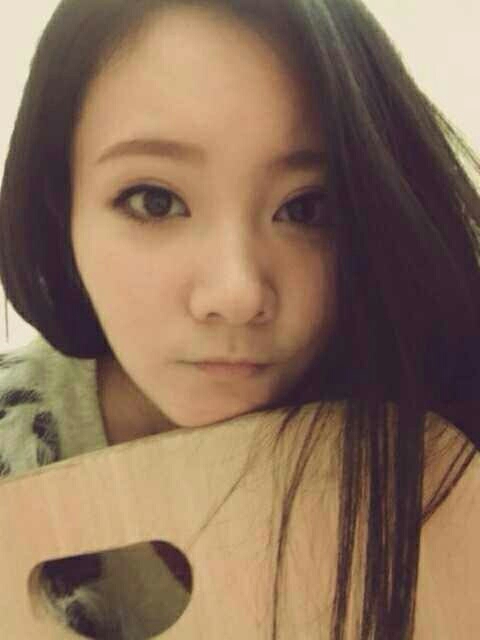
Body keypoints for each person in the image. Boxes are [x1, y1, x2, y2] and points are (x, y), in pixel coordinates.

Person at [0, 0, 479, 638]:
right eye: (155, 200)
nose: (238, 293)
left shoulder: (441, 444)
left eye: (306, 209)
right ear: (61, 207)